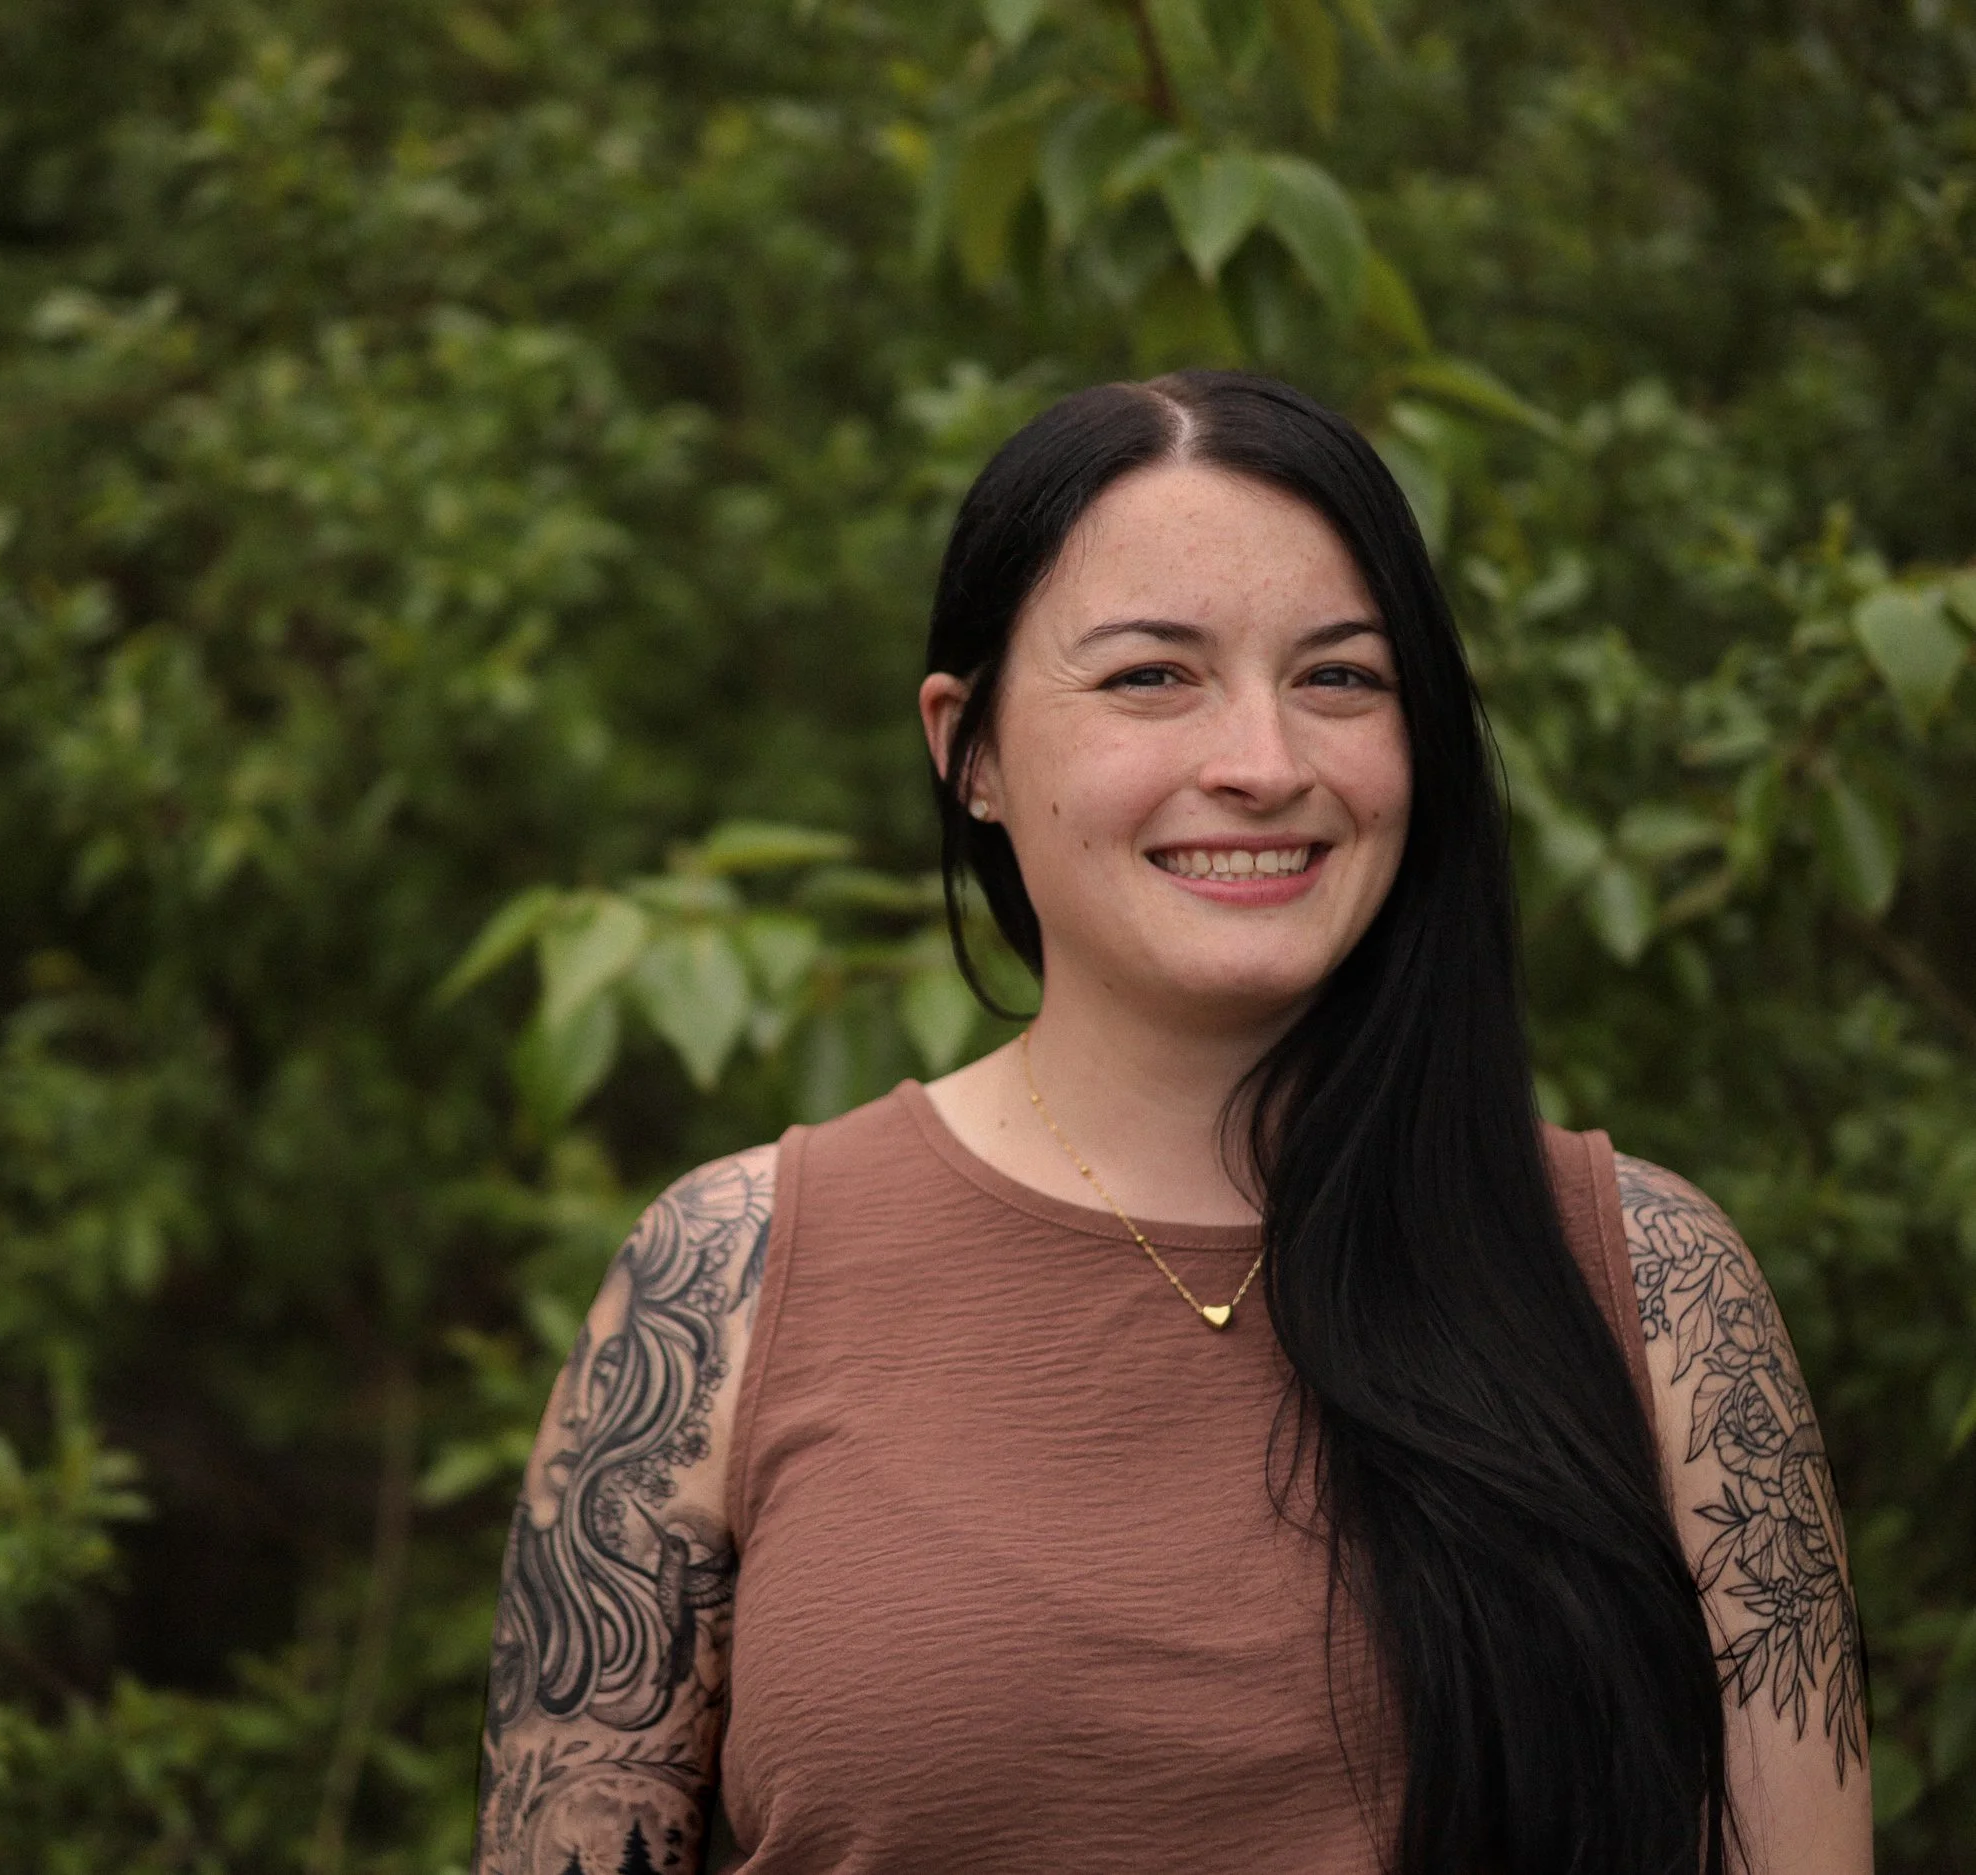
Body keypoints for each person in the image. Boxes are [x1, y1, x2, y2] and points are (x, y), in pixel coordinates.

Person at [470, 374, 1872, 1875]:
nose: (1265, 763)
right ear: (971, 752)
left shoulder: (1655, 1285)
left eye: (1342, 677)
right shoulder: (719, 1283)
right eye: (1153, 677)